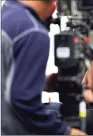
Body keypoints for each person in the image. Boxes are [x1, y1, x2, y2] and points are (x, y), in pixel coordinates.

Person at [1, 0, 86, 135]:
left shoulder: (6, 13)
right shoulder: (33, 31)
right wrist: (65, 132)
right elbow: (23, 101)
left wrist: (43, 83)